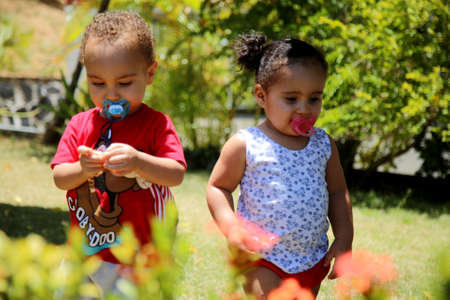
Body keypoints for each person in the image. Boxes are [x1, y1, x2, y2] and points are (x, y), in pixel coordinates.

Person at [206, 32, 353, 299]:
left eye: (314, 98)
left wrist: (344, 238)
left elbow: (337, 192)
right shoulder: (246, 144)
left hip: (310, 257)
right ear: (261, 96)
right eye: (291, 99)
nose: (304, 109)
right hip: (260, 257)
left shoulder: (323, 144)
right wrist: (232, 228)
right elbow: (218, 187)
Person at [51, 11, 186, 297]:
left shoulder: (156, 125)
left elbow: (175, 173)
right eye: (98, 83)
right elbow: (60, 177)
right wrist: (83, 169)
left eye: (124, 83)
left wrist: (138, 161)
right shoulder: (79, 124)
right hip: (83, 252)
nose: (111, 94)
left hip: (136, 258)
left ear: (150, 73)